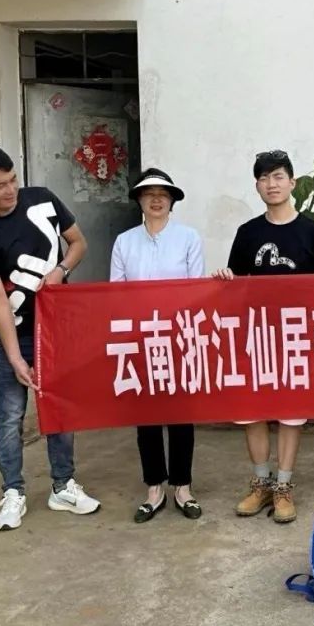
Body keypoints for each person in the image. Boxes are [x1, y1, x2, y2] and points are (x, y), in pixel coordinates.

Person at [0, 142, 101, 530]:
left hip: (57, 332)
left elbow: (78, 243)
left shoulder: (42, 200)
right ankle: (13, 493)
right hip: (14, 336)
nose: (10, 190)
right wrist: (15, 358)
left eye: (13, 180)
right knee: (9, 418)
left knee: (59, 410)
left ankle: (63, 486)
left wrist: (60, 270)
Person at [212, 150, 314, 524]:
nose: (272, 184)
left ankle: (283, 487)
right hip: (255, 336)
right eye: (265, 178)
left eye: (279, 176)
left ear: (292, 182)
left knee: (291, 414)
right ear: (257, 186)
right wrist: (225, 280)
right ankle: (261, 484)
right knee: (251, 412)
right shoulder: (248, 233)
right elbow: (235, 286)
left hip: (297, 338)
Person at [110, 168, 205, 523]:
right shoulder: (124, 242)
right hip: (139, 338)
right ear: (139, 200)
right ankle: (154, 488)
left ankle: (183, 487)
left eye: (162, 194)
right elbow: (116, 292)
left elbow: (196, 290)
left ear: (172, 200)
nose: (156, 199)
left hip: (178, 336)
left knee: (181, 414)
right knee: (146, 415)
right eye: (148, 193)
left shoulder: (188, 238)